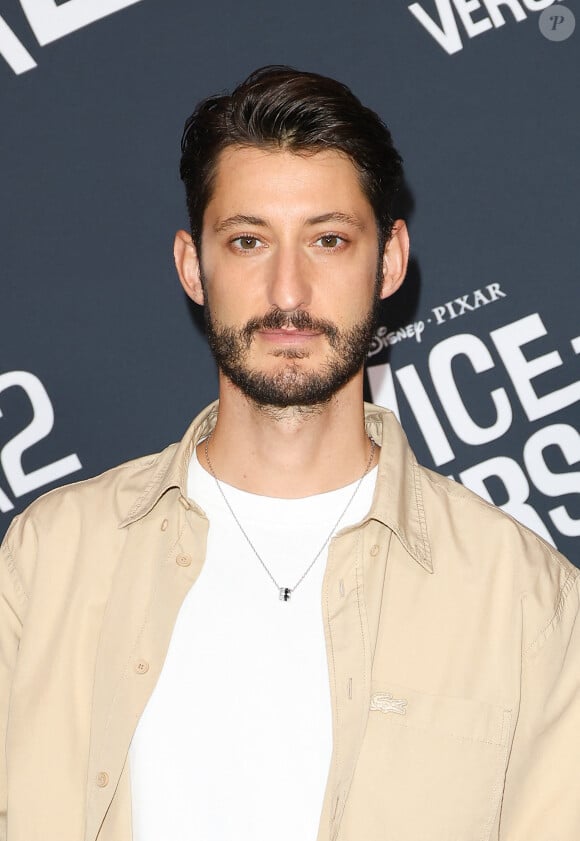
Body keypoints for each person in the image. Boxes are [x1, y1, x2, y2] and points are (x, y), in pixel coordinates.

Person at [1, 66, 579, 841]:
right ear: (190, 265)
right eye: (247, 241)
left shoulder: (523, 597)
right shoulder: (50, 557)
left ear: (390, 260)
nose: (287, 291)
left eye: (329, 239)